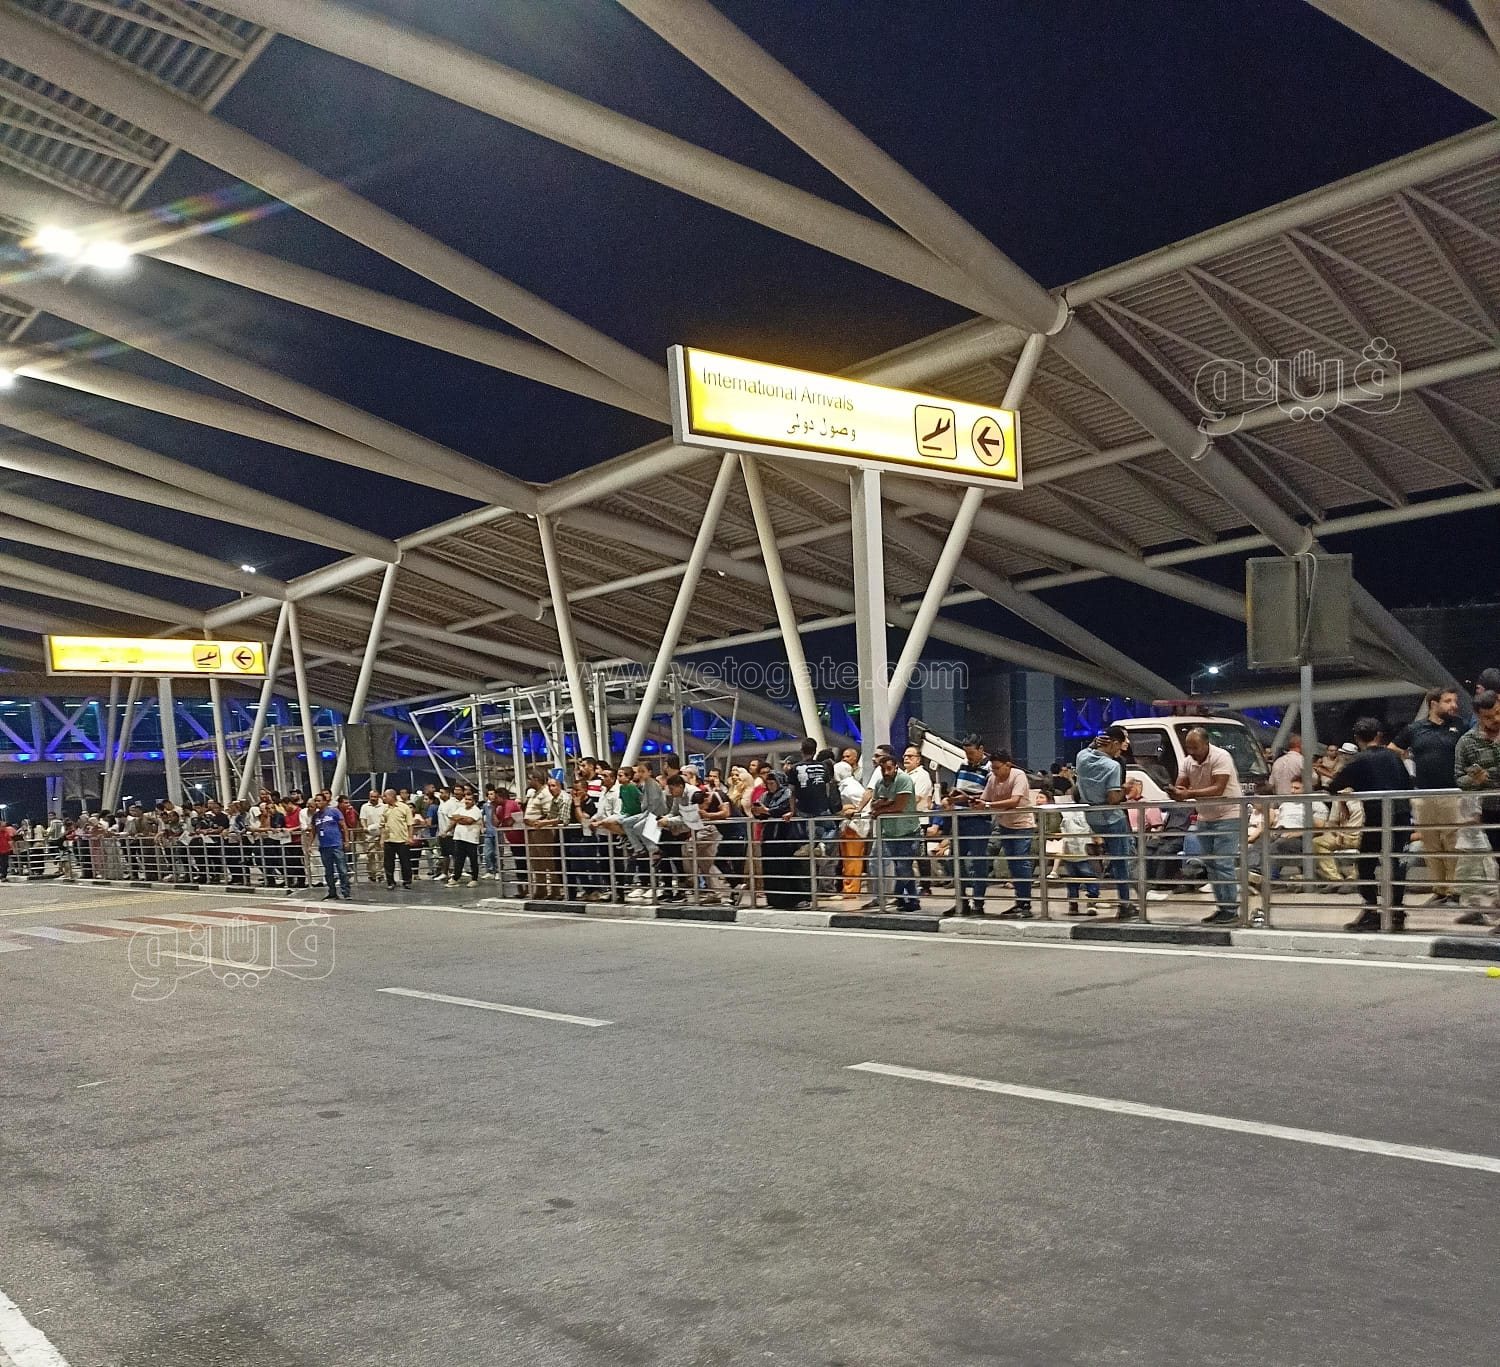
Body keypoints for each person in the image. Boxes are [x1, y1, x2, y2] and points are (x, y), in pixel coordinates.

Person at [1329, 717, 1413, 933]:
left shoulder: (1358, 760)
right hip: (1401, 814)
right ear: (1379, 735)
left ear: (1357, 738)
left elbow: (1334, 785)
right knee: (1396, 864)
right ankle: (1396, 913)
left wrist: (1352, 789)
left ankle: (1371, 911)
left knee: (1366, 864)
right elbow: (1408, 784)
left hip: (1376, 816)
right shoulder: (1394, 758)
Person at [1391, 687, 1468, 914]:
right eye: (1448, 701)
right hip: (1424, 795)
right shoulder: (1415, 729)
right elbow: (1393, 749)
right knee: (1431, 843)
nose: (1454, 705)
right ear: (1433, 704)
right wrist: (1406, 766)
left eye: (1454, 701)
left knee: (1453, 842)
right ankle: (1440, 890)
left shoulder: (1460, 726)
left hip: (1452, 793)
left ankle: (1455, 891)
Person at [1169, 726, 1245, 925]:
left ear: (1206, 744)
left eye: (1195, 747)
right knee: (1210, 864)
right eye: (1188, 747)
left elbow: (1218, 788)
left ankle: (1231, 909)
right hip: (1205, 816)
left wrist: (1189, 794)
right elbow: (1181, 785)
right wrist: (1175, 792)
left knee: (1223, 862)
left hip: (1229, 814)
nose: (1191, 752)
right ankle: (1222, 907)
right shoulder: (1188, 762)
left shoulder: (1221, 757)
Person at [1074, 726, 1138, 920]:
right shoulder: (1113, 766)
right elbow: (1112, 798)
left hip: (1093, 818)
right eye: (1121, 743)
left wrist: (1095, 742)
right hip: (1112, 818)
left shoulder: (1081, 757)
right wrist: (1126, 789)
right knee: (1121, 862)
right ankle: (1125, 904)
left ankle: (1115, 899)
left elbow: (1089, 748)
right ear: (1114, 743)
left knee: (1105, 860)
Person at [1455, 689, 1500, 933]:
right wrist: (1476, 778)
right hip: (1492, 809)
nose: (1495, 720)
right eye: (1489, 717)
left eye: (1498, 713)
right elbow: (1459, 777)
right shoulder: (1467, 742)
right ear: (1477, 715)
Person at [979, 750, 1036, 918]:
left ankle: (1025, 903)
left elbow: (1014, 801)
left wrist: (988, 805)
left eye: (997, 768)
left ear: (1008, 765)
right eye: (993, 768)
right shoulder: (992, 778)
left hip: (1022, 825)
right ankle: (1020, 901)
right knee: (1012, 864)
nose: (995, 771)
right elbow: (985, 798)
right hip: (1004, 825)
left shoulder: (1018, 776)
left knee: (1021, 863)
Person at [941, 734, 993, 917]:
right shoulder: (963, 765)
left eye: (971, 753)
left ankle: (978, 902)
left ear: (981, 749)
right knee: (954, 859)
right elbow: (957, 787)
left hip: (978, 820)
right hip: (959, 818)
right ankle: (961, 900)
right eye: (966, 753)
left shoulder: (989, 768)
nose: (968, 757)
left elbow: (988, 795)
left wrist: (964, 798)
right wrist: (950, 798)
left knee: (978, 861)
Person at [869, 750, 921, 913]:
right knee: (900, 867)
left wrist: (882, 806)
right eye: (883, 769)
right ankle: (909, 899)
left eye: (889, 769)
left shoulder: (904, 779)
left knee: (903, 867)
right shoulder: (879, 783)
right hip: (890, 832)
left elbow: (899, 805)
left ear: (895, 768)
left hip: (908, 831)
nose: (886, 772)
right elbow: (873, 803)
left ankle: (902, 895)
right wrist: (886, 803)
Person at [310, 793, 351, 901]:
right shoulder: (316, 816)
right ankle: (332, 892)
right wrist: (310, 844)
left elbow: (343, 826)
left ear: (325, 801)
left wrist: (346, 841)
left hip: (336, 844)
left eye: (319, 801)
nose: (317, 803)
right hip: (324, 846)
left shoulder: (334, 811)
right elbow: (313, 831)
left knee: (342, 870)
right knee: (328, 871)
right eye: (316, 801)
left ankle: (346, 892)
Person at [378, 788, 415, 889]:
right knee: (388, 863)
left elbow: (410, 824)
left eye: (385, 796)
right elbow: (382, 825)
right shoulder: (385, 809)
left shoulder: (404, 807)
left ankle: (407, 881)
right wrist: (382, 839)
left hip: (402, 840)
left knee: (405, 862)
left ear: (392, 796)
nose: (384, 798)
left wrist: (410, 837)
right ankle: (390, 882)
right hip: (389, 840)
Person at [448, 790, 483, 887]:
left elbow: (469, 821)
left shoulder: (476, 810)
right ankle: (456, 877)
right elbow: (452, 817)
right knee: (459, 859)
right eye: (466, 799)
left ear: (474, 801)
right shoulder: (461, 808)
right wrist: (463, 818)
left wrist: (460, 819)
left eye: (469, 799)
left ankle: (474, 878)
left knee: (473, 859)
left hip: (471, 839)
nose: (467, 801)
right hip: (459, 838)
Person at [358, 790, 385, 884]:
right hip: (369, 835)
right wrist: (364, 827)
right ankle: (372, 874)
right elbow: (362, 819)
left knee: (381, 855)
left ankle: (380, 874)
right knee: (370, 855)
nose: (373, 798)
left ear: (378, 797)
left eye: (375, 797)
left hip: (381, 833)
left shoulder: (383, 806)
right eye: (371, 797)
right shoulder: (365, 807)